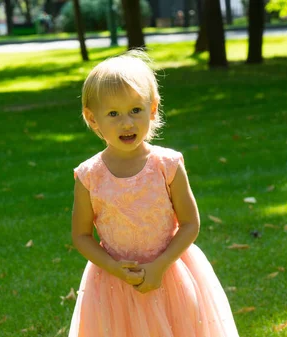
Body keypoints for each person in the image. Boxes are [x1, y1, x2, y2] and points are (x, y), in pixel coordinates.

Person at [68, 50, 240, 337]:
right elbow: (81, 235)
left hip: (170, 274)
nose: (127, 123)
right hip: (113, 284)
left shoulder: (167, 165)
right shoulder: (89, 176)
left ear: (153, 109)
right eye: (113, 113)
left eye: (136, 110)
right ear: (92, 118)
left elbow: (189, 223)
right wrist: (113, 267)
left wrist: (160, 265)